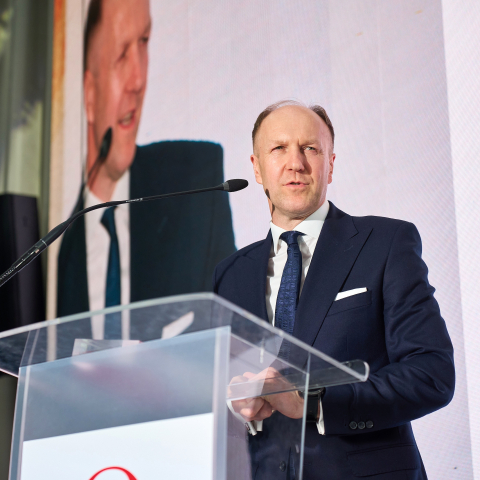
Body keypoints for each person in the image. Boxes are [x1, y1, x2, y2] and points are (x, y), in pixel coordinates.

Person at [213, 100, 455, 479]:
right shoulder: (230, 274)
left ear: (330, 164)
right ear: (257, 168)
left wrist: (312, 402)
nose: (295, 163)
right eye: (279, 148)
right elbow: (222, 394)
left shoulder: (386, 243)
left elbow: (431, 374)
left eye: (310, 148)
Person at [57, 0, 235, 319]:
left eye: (144, 42)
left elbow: (235, 330)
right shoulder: (67, 245)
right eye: (121, 55)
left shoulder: (197, 182)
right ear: (90, 94)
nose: (138, 81)